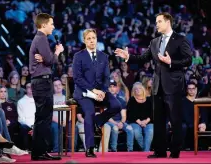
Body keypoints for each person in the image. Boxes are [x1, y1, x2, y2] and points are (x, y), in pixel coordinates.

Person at [115, 12, 192, 158]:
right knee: (159, 121)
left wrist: (171, 62)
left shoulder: (180, 40)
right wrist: (129, 57)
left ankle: (175, 151)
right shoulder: (155, 42)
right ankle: (160, 151)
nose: (156, 24)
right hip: (157, 86)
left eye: (159, 21)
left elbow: (188, 60)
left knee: (175, 120)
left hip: (174, 86)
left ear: (168, 22)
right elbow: (143, 58)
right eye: (156, 22)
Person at [72, 28, 121, 158]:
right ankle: (90, 148)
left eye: (93, 38)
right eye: (89, 38)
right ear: (84, 41)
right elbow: (77, 78)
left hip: (100, 92)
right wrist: (93, 90)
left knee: (116, 105)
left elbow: (106, 77)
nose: (92, 40)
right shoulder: (78, 56)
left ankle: (98, 121)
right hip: (84, 92)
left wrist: (103, 91)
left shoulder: (103, 56)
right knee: (89, 112)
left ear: (96, 39)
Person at [29, 13, 64, 161]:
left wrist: (47, 58)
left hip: (41, 82)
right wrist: (57, 52)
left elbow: (47, 59)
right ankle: (40, 152)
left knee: (42, 117)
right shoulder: (41, 38)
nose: (53, 26)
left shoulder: (40, 39)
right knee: (44, 118)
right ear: (43, 25)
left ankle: (39, 151)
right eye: (51, 23)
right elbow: (50, 60)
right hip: (42, 82)